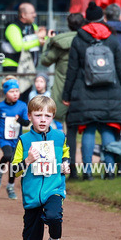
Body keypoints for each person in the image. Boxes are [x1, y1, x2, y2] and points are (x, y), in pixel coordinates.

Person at [10, 95, 70, 240]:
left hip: (54, 189)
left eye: (47, 115)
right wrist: (27, 160)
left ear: (53, 117)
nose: (43, 119)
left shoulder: (59, 136)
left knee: (54, 216)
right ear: (29, 116)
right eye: (38, 115)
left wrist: (66, 164)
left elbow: (65, 153)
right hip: (32, 195)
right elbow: (13, 171)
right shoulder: (24, 140)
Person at [61, 2, 121, 179]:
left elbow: (72, 70)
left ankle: (87, 172)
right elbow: (120, 68)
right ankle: (109, 171)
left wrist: (66, 94)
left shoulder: (78, 39)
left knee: (88, 130)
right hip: (110, 91)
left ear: (87, 19)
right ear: (102, 18)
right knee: (107, 128)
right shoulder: (112, 39)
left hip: (85, 92)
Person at [40, 13, 80, 175]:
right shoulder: (85, 40)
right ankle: (77, 168)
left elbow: (45, 61)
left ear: (68, 25)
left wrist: (48, 42)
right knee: (75, 131)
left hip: (61, 92)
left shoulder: (60, 43)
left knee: (58, 129)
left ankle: (59, 164)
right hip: (80, 91)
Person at [0, 79, 31, 200]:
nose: (15, 94)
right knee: (8, 155)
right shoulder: (0, 106)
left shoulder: (22, 106)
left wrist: (19, 120)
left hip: (17, 140)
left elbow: (27, 123)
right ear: (5, 93)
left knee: (13, 163)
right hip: (4, 139)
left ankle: (10, 186)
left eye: (17, 91)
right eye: (12, 91)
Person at [1, 3, 48, 84]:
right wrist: (38, 41)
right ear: (23, 15)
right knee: (14, 91)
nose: (35, 15)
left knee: (27, 92)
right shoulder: (12, 27)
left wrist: (46, 37)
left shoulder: (33, 26)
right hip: (13, 68)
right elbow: (18, 47)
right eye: (32, 13)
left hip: (28, 69)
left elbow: (42, 39)